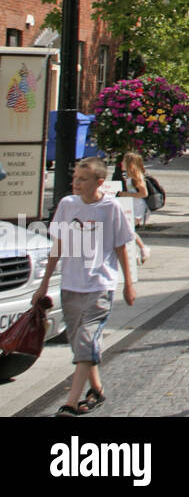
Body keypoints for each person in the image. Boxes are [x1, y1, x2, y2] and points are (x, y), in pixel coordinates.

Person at [32, 157, 137, 416]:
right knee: (80, 344)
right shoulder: (67, 205)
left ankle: (70, 402)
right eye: (74, 178)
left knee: (87, 340)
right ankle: (97, 390)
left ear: (99, 182)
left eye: (82, 179)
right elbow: (57, 245)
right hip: (70, 286)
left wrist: (128, 284)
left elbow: (121, 246)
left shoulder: (110, 208)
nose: (75, 183)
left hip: (99, 286)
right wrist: (44, 284)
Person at [118, 152, 152, 264]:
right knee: (128, 229)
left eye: (123, 161)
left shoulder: (136, 176)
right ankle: (137, 252)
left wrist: (126, 194)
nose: (121, 163)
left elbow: (144, 193)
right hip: (131, 204)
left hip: (137, 206)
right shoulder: (128, 176)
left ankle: (141, 249)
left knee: (128, 229)